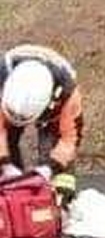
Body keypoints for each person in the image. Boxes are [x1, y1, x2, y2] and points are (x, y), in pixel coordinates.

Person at [0, 45, 82, 203]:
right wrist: (4, 163)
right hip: (8, 102)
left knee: (51, 148)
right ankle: (11, 197)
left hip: (54, 108)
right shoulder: (3, 82)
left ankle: (58, 203)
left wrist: (51, 167)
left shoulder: (67, 94)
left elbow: (69, 139)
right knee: (7, 146)